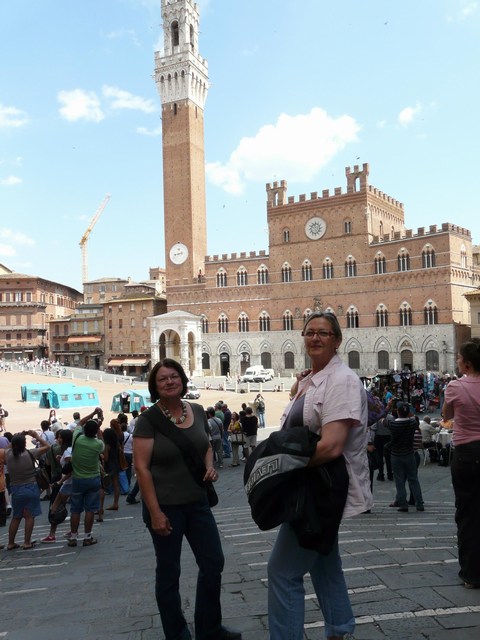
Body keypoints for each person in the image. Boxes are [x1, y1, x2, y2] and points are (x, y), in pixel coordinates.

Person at [267, 312, 372, 640]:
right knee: (323, 562)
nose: (315, 338)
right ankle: (340, 630)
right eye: (309, 332)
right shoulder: (315, 379)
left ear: (337, 340)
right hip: (309, 486)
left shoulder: (341, 380)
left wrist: (280, 465)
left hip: (320, 491)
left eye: (323, 333)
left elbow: (331, 446)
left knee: (282, 572)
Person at [133, 358, 242, 640]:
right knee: (169, 572)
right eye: (162, 379)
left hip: (197, 502)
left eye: (174, 376)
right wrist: (155, 512)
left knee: (213, 563)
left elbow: (205, 445)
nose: (169, 382)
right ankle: (177, 633)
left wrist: (210, 465)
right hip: (165, 507)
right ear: (155, 386)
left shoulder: (196, 410)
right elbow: (142, 468)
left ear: (182, 380)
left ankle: (210, 629)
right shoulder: (147, 421)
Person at [442, 339, 480, 589]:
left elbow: (447, 416)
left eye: (458, 357)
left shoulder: (455, 386)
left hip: (466, 453)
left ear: (466, 364)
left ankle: (471, 575)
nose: (456, 361)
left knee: (467, 515)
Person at [3, 430, 50, 550]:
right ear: (24, 444)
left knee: (16, 517)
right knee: (29, 516)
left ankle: (11, 543)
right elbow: (47, 446)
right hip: (31, 486)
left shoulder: (7, 454)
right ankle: (27, 542)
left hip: (16, 488)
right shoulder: (30, 453)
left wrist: (17, 437)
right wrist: (36, 436)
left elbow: (7, 448)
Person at [68, 418, 105, 547]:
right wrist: (99, 429)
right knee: (90, 509)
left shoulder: (77, 438)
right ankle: (87, 537)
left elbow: (79, 423)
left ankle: (73, 537)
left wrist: (93, 413)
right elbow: (102, 444)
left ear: (84, 430)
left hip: (77, 478)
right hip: (93, 478)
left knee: (75, 510)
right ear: (95, 432)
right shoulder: (97, 444)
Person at [386, 402, 424, 513]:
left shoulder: (392, 424)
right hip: (409, 454)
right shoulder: (412, 423)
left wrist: (387, 407)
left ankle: (403, 504)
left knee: (399, 480)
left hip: (396, 455)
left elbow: (382, 419)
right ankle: (419, 503)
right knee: (414, 480)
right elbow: (414, 416)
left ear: (397, 412)